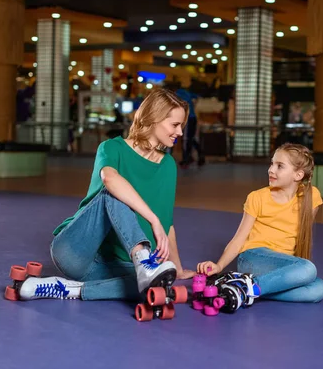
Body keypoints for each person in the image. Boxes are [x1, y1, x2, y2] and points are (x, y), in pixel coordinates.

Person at [15, 88, 196, 301]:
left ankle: (69, 289)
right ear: (154, 119)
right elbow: (110, 180)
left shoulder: (168, 167)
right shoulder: (112, 148)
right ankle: (142, 259)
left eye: (182, 126)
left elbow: (167, 223)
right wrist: (153, 220)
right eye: (175, 125)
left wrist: (177, 268)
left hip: (116, 266)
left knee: (156, 285)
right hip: (77, 251)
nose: (180, 133)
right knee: (113, 192)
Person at [197, 143, 323, 305]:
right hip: (253, 258)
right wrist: (219, 265)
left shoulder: (311, 197)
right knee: (308, 269)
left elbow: (302, 235)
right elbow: (239, 239)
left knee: (318, 288)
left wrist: (293, 269)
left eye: (280, 166)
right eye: (272, 164)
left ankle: (245, 288)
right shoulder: (257, 197)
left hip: (282, 264)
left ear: (298, 175)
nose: (271, 170)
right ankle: (248, 288)